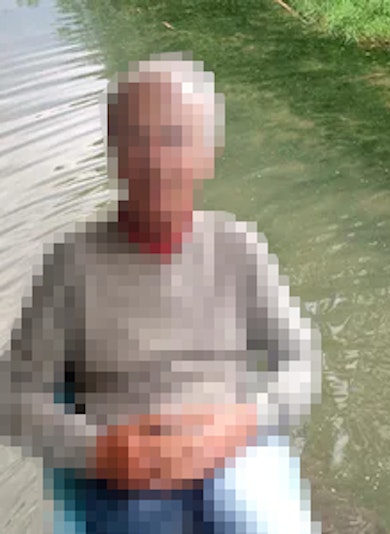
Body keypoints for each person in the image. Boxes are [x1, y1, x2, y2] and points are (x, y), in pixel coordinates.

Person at [0, 52, 322, 534]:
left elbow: (302, 362)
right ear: (113, 152)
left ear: (207, 154)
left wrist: (244, 421)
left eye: (175, 138)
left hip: (232, 449)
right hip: (125, 464)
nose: (155, 161)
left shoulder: (239, 247)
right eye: (136, 140)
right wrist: (96, 450)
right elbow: (13, 395)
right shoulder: (70, 264)